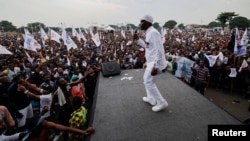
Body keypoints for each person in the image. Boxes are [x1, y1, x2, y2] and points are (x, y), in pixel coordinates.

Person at [133, 14, 168, 112]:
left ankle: (161, 102)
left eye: (142, 21)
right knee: (147, 80)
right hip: (151, 61)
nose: (140, 24)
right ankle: (151, 99)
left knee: (148, 82)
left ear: (148, 22)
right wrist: (138, 40)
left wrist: (155, 66)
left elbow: (159, 50)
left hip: (155, 62)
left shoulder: (153, 32)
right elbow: (148, 46)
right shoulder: (149, 32)